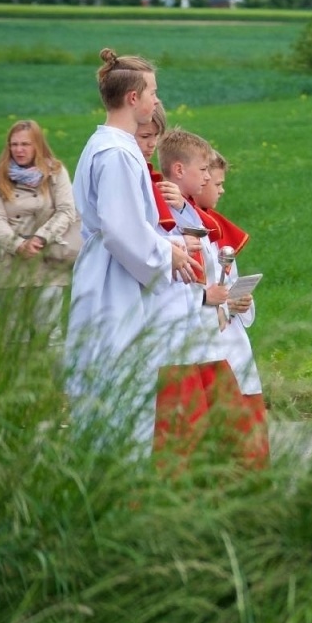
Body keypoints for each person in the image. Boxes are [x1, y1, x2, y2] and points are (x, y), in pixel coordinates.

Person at [67, 49, 200, 452]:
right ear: (132, 99)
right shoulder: (117, 152)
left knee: (119, 387)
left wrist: (168, 244)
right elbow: (121, 229)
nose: (157, 101)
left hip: (112, 273)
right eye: (153, 92)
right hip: (112, 283)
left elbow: (129, 226)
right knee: (117, 391)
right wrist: (168, 255)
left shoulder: (109, 145)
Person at [153, 127, 246, 467]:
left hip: (203, 332)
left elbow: (208, 241)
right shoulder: (159, 204)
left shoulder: (188, 210)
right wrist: (207, 297)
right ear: (179, 170)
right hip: (180, 335)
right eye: (205, 172)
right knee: (185, 430)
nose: (209, 181)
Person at [196, 148, 267, 467]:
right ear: (201, 179)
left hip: (233, 338)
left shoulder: (220, 233)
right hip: (209, 342)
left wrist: (241, 302)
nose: (222, 190)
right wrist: (220, 302)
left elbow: (229, 281)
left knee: (248, 423)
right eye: (218, 183)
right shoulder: (190, 235)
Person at [0, 120, 79, 333]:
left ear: (38, 145)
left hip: (46, 259)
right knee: (15, 337)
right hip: (11, 264)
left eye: (25, 144)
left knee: (49, 334)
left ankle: (53, 368)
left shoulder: (55, 172)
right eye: (14, 144)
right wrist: (18, 245)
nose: (18, 149)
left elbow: (66, 211)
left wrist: (40, 238)